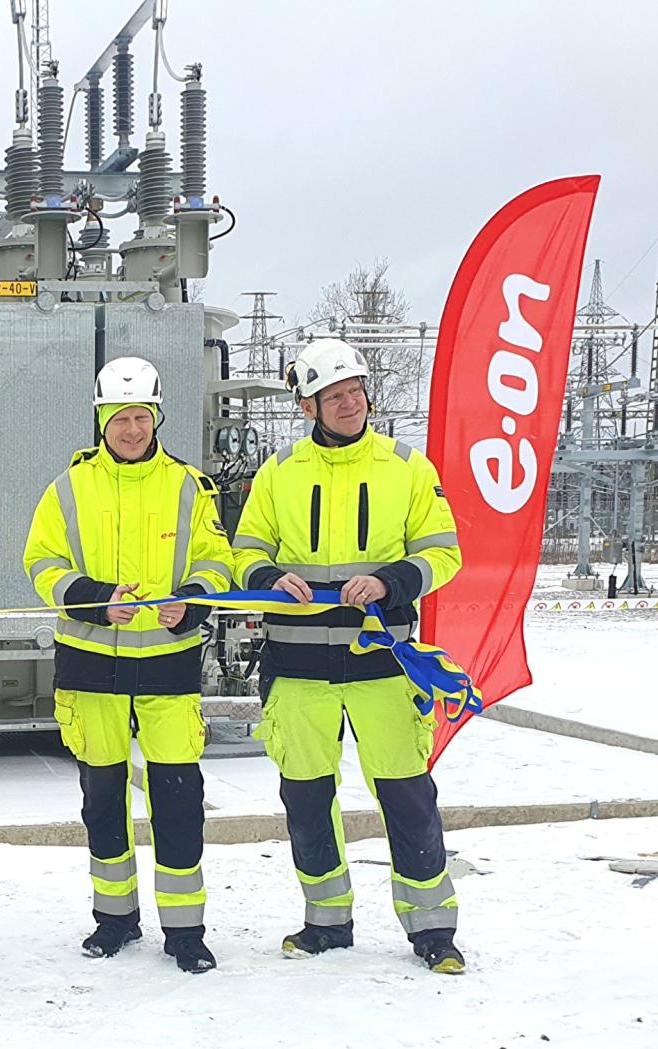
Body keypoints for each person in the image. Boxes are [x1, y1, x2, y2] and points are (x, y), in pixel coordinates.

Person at [232, 337, 466, 974]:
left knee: (406, 794)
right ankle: (326, 922)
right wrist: (266, 577)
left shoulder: (407, 467)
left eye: (355, 391)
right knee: (307, 798)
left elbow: (443, 551)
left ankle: (433, 930)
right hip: (298, 663)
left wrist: (392, 582)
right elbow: (245, 547)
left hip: (383, 662)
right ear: (307, 406)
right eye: (333, 395)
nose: (348, 403)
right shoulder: (279, 472)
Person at [23, 357, 233, 973]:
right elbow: (41, 564)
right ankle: (113, 920)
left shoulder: (191, 486)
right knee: (103, 798)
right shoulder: (68, 487)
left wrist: (191, 604)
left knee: (177, 797)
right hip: (92, 667)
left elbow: (217, 559)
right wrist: (92, 599)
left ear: (157, 416)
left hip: (168, 668)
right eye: (120, 418)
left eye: (141, 416)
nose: (131, 429)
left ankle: (185, 932)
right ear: (102, 420)